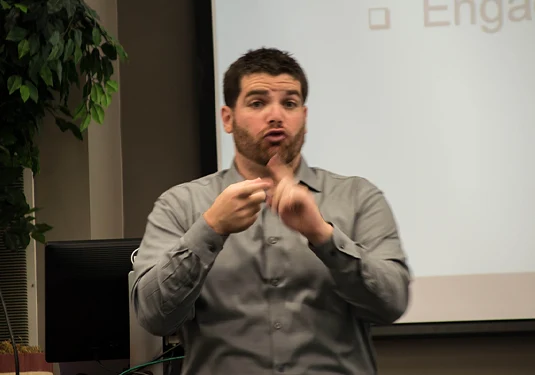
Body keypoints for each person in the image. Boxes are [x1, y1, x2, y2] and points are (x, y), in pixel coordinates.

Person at [131, 47, 411, 375]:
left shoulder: (359, 197)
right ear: (227, 118)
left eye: (289, 103)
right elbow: (153, 316)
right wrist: (210, 229)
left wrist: (322, 234)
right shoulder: (181, 204)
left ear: (304, 117)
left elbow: (391, 303)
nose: (276, 115)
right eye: (258, 102)